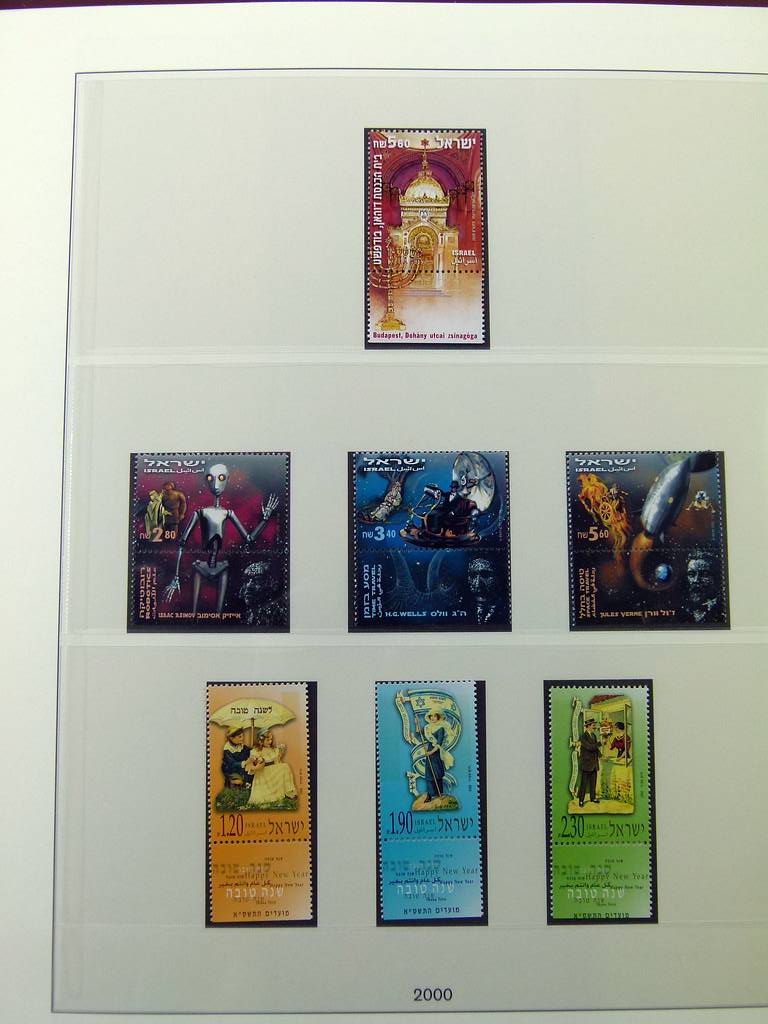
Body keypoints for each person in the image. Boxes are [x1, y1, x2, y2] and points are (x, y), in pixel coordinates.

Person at [246, 730, 298, 807]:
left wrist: (280, 754)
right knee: (285, 766)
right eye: (268, 740)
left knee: (285, 766)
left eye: (271, 739)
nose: (270, 742)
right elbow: (253, 766)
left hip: (273, 772)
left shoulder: (273, 750)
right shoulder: (255, 751)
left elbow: (277, 762)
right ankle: (286, 792)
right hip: (263, 773)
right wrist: (258, 760)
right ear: (261, 741)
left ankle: (289, 792)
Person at [422, 710, 454, 803]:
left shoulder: (441, 729)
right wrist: (416, 724)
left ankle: (439, 793)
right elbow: (419, 733)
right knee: (429, 774)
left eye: (435, 716)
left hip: (436, 754)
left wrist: (430, 752)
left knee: (437, 773)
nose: (433, 718)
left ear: (438, 717)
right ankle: (429, 795)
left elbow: (439, 744)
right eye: (431, 716)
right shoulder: (427, 728)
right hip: (429, 754)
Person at [577, 717, 601, 807]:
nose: (594, 727)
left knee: (593, 782)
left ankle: (593, 798)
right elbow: (589, 747)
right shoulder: (583, 736)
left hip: (594, 764)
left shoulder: (594, 735)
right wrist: (599, 743)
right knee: (584, 783)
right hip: (586, 764)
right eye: (593, 725)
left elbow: (595, 749)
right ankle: (581, 800)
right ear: (588, 726)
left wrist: (601, 755)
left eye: (594, 725)